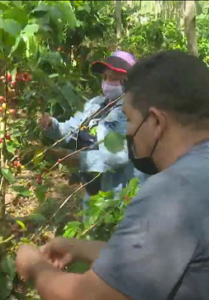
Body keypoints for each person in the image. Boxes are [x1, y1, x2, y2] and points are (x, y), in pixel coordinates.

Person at [16, 50, 209, 300]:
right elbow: (168, 258)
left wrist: (34, 266)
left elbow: (89, 296)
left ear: (156, 122)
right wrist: (81, 248)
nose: (129, 132)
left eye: (131, 121)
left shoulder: (176, 191)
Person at [38, 50, 148, 212]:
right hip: (94, 192)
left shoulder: (133, 112)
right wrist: (52, 125)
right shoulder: (96, 104)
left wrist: (79, 159)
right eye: (105, 77)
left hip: (119, 196)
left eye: (114, 78)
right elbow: (73, 128)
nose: (107, 83)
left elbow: (117, 157)